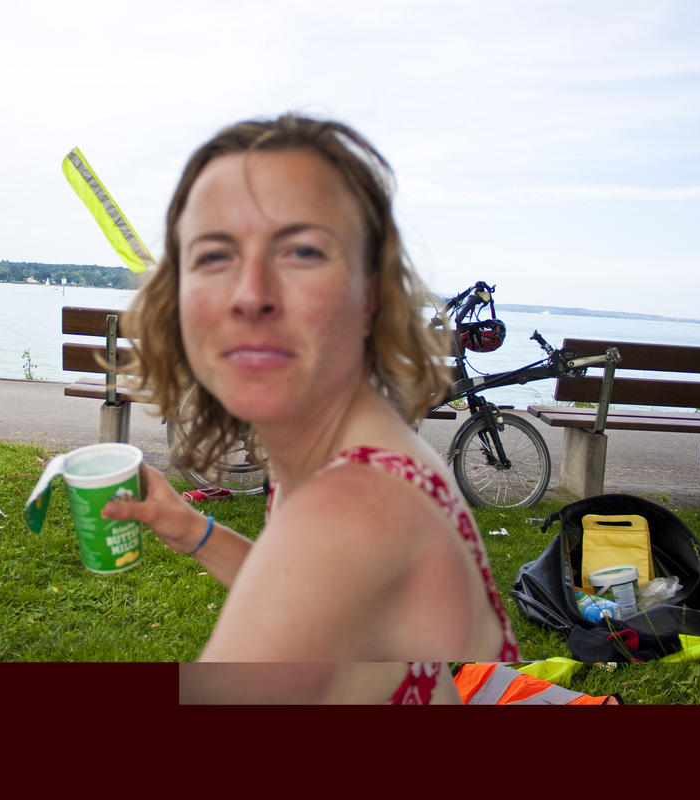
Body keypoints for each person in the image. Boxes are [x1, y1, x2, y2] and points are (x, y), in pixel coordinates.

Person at [88, 114, 515, 704]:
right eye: (214, 256)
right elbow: (302, 600)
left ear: (370, 295)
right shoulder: (343, 453)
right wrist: (192, 529)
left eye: (303, 251)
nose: (250, 295)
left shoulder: (353, 508)